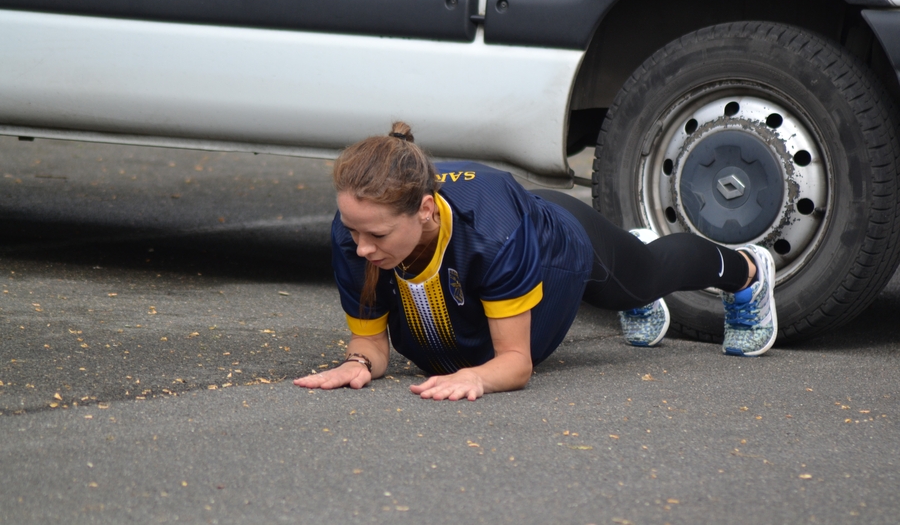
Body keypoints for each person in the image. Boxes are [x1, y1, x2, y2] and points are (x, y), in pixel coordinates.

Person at [293, 122, 777, 401]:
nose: (359, 248)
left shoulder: (494, 234)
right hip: (511, 233)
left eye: (374, 234)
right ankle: (633, 249)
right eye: (351, 230)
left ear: (424, 212)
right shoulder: (357, 230)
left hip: (558, 245)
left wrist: (479, 376)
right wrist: (358, 362)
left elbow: (514, 364)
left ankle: (747, 270)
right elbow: (371, 345)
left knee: (641, 279)